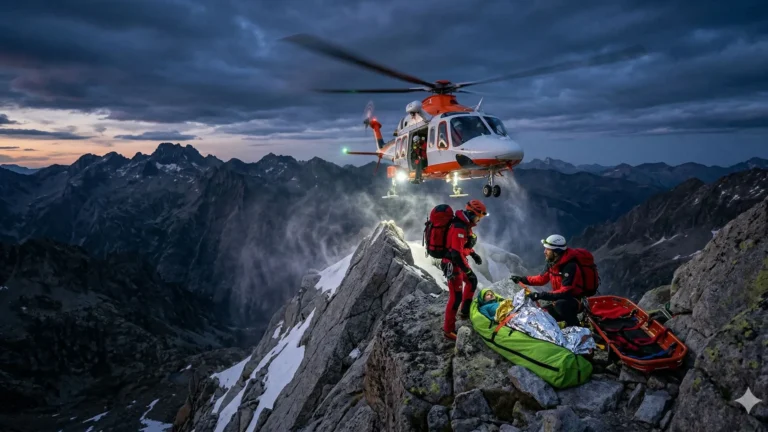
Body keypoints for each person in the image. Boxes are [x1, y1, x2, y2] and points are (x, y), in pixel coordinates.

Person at [509, 234, 585, 327]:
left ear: (556, 252)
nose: (544, 252)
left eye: (548, 249)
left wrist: (540, 295)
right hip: (558, 300)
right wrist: (522, 279)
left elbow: (565, 292)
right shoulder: (552, 263)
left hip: (574, 302)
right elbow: (541, 279)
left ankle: (576, 327)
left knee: (561, 305)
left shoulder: (570, 267)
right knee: (542, 314)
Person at [442, 199, 487, 340]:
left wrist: (473, 254)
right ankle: (448, 330)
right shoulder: (459, 228)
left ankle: (465, 312)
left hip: (458, 262)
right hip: (453, 264)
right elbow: (456, 253)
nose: (479, 220)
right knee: (456, 297)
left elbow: (462, 247)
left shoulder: (465, 225)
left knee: (472, 281)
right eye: (478, 217)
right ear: (472, 213)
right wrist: (467, 271)